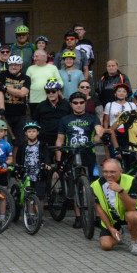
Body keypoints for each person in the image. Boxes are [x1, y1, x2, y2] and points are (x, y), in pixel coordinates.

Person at [55, 91, 104, 222]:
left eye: (81, 102)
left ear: (85, 103)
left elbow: (99, 129)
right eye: (75, 103)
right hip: (71, 155)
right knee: (77, 185)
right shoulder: (65, 120)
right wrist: (59, 160)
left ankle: (98, 217)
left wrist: (101, 134)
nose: (78, 105)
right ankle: (78, 217)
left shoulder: (92, 118)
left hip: (89, 155)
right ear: (71, 104)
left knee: (94, 186)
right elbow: (60, 140)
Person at [92, 158, 137, 256]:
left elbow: (132, 207)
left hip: (127, 213)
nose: (109, 175)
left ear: (120, 171)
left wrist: (121, 191)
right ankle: (118, 232)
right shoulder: (96, 185)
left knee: (133, 216)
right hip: (112, 218)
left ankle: (134, 242)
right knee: (106, 246)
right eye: (106, 172)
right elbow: (99, 209)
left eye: (112, 172)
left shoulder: (130, 180)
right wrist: (110, 228)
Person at [0, 55, 30, 147]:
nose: (13, 67)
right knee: (7, 141)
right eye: (11, 65)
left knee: (20, 141)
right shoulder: (3, 75)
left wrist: (5, 87)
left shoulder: (26, 78)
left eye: (16, 65)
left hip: (21, 114)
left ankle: (17, 161)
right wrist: (1, 108)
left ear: (20, 66)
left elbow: (22, 93)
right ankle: (8, 161)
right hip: (7, 113)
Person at [34, 79, 71, 164]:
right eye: (48, 92)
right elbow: (35, 120)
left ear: (58, 91)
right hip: (46, 138)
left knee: (62, 163)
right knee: (46, 164)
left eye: (53, 91)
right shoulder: (41, 106)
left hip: (63, 138)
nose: (51, 94)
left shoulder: (66, 105)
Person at [16, 121, 48, 199]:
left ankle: (40, 211)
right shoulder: (22, 146)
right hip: (26, 174)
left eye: (34, 131)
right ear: (26, 133)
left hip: (39, 174)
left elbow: (47, 156)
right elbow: (18, 159)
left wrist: (47, 164)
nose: (31, 133)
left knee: (40, 197)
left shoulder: (43, 145)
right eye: (29, 131)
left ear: (38, 133)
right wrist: (18, 171)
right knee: (28, 196)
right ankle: (29, 211)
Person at [26, 49, 61, 118]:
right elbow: (26, 84)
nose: (34, 59)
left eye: (36, 56)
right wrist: (26, 96)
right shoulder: (30, 68)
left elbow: (60, 83)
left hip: (49, 100)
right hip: (34, 100)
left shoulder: (53, 68)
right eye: (34, 57)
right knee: (35, 121)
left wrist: (52, 86)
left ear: (44, 57)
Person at [102, 83, 135, 147]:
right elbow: (106, 121)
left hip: (129, 134)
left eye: (124, 91)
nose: (121, 93)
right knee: (114, 154)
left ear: (127, 94)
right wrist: (106, 133)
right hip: (114, 133)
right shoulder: (109, 105)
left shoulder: (132, 105)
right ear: (115, 93)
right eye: (119, 91)